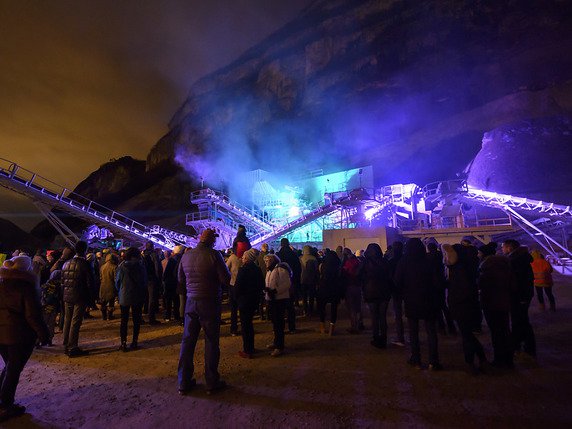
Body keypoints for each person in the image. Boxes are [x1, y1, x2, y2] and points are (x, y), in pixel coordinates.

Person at [177, 229, 230, 395]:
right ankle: (211, 381)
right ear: (212, 241)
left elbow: (180, 279)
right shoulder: (214, 255)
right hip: (209, 301)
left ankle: (183, 382)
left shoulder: (186, 255)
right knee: (211, 341)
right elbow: (225, 279)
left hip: (191, 301)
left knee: (187, 341)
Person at [0, 255, 49, 422]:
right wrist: (43, 334)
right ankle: (6, 405)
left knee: (9, 367)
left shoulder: (1, 284)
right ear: (26, 269)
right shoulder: (26, 287)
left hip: (2, 336)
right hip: (19, 336)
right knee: (13, 370)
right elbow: (32, 315)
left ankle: (2, 400)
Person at [394, 238, 442, 370]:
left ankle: (416, 359)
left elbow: (397, 281)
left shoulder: (404, 261)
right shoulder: (428, 260)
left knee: (413, 331)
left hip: (411, 299)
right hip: (429, 299)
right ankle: (434, 361)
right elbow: (437, 281)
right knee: (431, 331)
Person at [442, 244, 486, 374]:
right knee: (468, 334)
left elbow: (460, 290)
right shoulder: (466, 268)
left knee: (466, 335)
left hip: (462, 306)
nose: (446, 257)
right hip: (466, 305)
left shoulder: (459, 270)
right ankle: (481, 359)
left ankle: (471, 362)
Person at [477, 242, 514, 369]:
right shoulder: (505, 265)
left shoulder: (486, 268)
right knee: (505, 330)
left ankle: (499, 359)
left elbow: (482, 285)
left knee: (496, 332)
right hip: (504, 301)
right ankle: (509, 359)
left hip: (491, 303)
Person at [502, 239, 536, 358]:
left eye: (504, 247)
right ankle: (521, 345)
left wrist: (522, 297)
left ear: (510, 247)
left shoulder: (516, 261)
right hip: (521, 295)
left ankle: (525, 347)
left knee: (520, 321)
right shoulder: (520, 258)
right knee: (520, 321)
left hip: (519, 296)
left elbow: (520, 280)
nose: (502, 249)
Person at [61, 241, 95, 357]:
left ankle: (66, 345)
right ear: (85, 250)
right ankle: (73, 347)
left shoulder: (66, 263)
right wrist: (91, 299)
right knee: (75, 322)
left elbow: (62, 281)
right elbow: (90, 283)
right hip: (80, 296)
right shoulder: (85, 264)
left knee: (67, 320)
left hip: (67, 295)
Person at [115, 247, 147, 351]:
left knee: (124, 320)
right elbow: (144, 281)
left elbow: (117, 282)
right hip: (137, 295)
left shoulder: (121, 266)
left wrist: (120, 291)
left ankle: (123, 343)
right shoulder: (141, 266)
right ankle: (134, 341)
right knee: (136, 320)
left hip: (124, 295)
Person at [234, 249, 264, 358]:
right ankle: (251, 347)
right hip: (253, 300)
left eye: (243, 257)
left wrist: (236, 297)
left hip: (244, 301)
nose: (242, 258)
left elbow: (238, 286)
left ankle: (247, 350)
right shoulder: (257, 269)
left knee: (245, 326)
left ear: (247, 258)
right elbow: (261, 284)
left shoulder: (243, 270)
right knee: (249, 324)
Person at [362, 243, 393, 348]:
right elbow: (390, 276)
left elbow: (358, 274)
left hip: (371, 292)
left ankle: (375, 338)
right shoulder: (385, 261)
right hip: (384, 291)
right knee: (382, 317)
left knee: (374, 317)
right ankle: (383, 339)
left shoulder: (366, 262)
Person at [264, 254, 292, 357]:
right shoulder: (270, 270)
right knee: (275, 323)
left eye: (269, 260)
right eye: (266, 260)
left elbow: (287, 284)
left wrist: (275, 291)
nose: (266, 262)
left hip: (279, 299)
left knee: (279, 323)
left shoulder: (280, 270)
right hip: (272, 299)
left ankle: (279, 346)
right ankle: (276, 342)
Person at [276, 238, 300, 333]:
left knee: (280, 307)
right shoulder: (293, 255)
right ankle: (292, 327)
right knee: (290, 306)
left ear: (281, 244)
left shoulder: (278, 255)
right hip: (291, 282)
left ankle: (280, 328)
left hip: (280, 283)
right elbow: (298, 269)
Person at [317, 249, 342, 335]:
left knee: (322, 308)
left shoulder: (322, 265)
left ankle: (322, 328)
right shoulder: (338, 266)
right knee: (334, 309)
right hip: (335, 288)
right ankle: (331, 329)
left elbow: (319, 275)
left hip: (323, 288)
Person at [387, 241, 405, 346]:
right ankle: (411, 336)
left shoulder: (392, 261)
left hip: (396, 290)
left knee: (398, 315)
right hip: (407, 289)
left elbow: (389, 276)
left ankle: (400, 337)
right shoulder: (405, 260)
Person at [143, 242, 163, 325]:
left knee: (146, 297)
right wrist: (158, 278)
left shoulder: (143, 254)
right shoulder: (154, 255)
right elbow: (157, 267)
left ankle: (145, 312)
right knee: (152, 299)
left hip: (144, 279)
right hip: (152, 279)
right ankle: (152, 319)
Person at [40, 270, 62, 345]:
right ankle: (49, 340)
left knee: (43, 323)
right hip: (52, 306)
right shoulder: (57, 286)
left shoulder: (45, 285)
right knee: (51, 323)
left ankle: (39, 340)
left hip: (44, 306)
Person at [300, 245, 319, 316]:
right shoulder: (314, 258)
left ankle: (305, 310)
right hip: (312, 279)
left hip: (303, 279)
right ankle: (311, 310)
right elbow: (316, 269)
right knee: (311, 296)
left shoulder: (300, 258)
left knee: (304, 296)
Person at [226, 249, 242, 336]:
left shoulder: (232, 257)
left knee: (233, 308)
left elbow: (226, 268)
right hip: (243, 284)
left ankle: (233, 329)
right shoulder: (245, 256)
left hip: (233, 283)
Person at [162, 249, 181, 322]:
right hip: (174, 283)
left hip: (167, 283)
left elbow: (164, 273)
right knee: (176, 301)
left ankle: (168, 316)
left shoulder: (163, 262)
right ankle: (176, 316)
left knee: (168, 300)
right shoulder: (175, 262)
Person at [99, 253, 118, 320]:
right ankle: (109, 316)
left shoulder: (102, 266)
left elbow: (100, 277)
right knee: (111, 302)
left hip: (103, 286)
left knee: (103, 302)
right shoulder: (114, 267)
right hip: (111, 286)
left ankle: (104, 316)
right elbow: (116, 278)